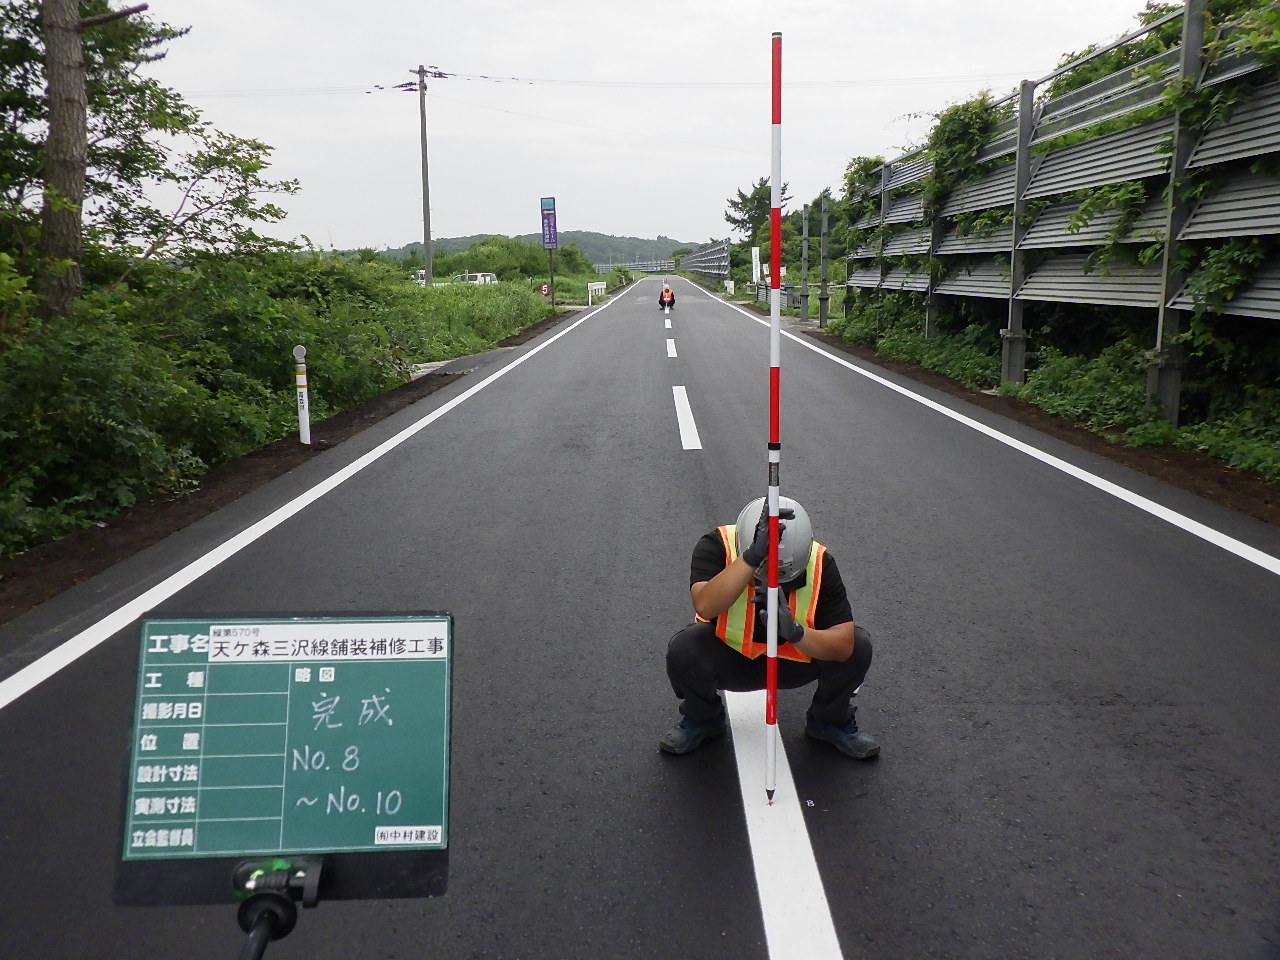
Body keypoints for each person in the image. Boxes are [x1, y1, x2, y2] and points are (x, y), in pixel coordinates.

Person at [659, 497, 879, 759]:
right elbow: (705, 605)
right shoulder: (718, 545)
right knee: (685, 649)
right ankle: (703, 719)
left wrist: (796, 633)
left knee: (859, 645)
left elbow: (843, 646)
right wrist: (752, 558)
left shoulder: (821, 562)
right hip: (733, 660)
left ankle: (830, 721)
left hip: (793, 662)